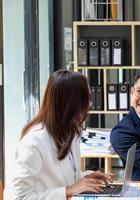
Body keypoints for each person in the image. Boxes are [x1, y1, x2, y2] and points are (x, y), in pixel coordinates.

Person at [4, 70, 113, 199]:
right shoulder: (34, 142)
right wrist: (67, 191)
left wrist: (85, 177)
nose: (90, 104)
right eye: (86, 99)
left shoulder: (70, 132)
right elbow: (16, 197)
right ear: (70, 103)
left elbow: (61, 177)